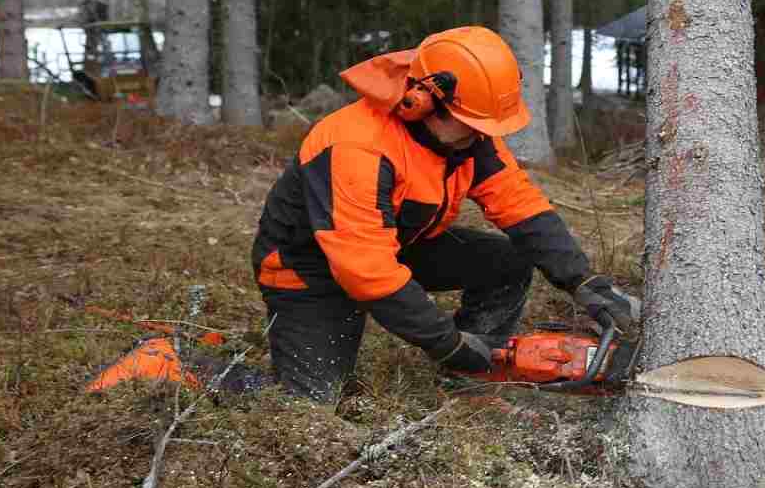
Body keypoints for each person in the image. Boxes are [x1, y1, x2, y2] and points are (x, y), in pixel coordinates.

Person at [251, 26, 641, 402]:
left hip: (393, 245)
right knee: (313, 402)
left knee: (509, 262)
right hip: (308, 268)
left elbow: (520, 205)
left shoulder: (469, 139)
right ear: (423, 101)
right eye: (473, 124)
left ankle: (470, 382)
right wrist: (448, 344)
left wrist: (585, 281)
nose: (481, 135)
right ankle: (208, 375)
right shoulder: (358, 146)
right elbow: (364, 270)